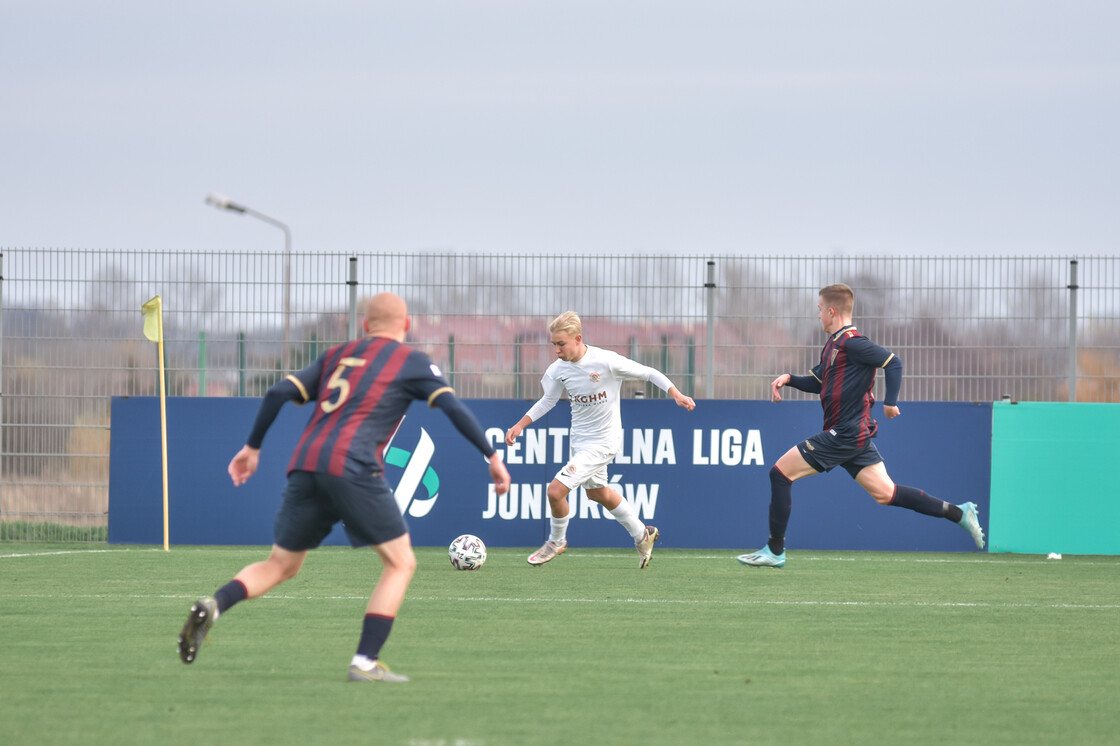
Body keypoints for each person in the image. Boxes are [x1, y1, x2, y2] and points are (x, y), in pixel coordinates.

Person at [177, 292, 511, 682]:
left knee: (280, 564)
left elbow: (277, 392)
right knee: (400, 562)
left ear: (366, 326)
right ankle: (365, 662)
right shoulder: (412, 361)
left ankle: (213, 605)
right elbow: (452, 406)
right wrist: (492, 456)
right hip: (353, 467)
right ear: (407, 325)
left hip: (305, 464)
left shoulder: (339, 354)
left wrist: (252, 448)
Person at [737, 283, 985, 568]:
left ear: (831, 311)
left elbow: (894, 362)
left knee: (780, 473)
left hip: (845, 434)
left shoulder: (853, 343)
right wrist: (789, 379)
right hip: (855, 436)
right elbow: (819, 383)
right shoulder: (833, 344)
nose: (818, 315)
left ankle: (775, 550)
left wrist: (890, 403)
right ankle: (959, 513)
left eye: (819, 310)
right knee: (887, 493)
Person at [505, 311, 696, 568]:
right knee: (598, 494)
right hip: (580, 443)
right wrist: (520, 424)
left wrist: (676, 394)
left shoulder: (606, 361)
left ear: (577, 339)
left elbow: (649, 373)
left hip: (605, 442)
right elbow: (548, 400)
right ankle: (643, 534)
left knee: (555, 490)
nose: (557, 350)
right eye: (554, 344)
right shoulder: (557, 371)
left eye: (561, 344)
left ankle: (556, 541)